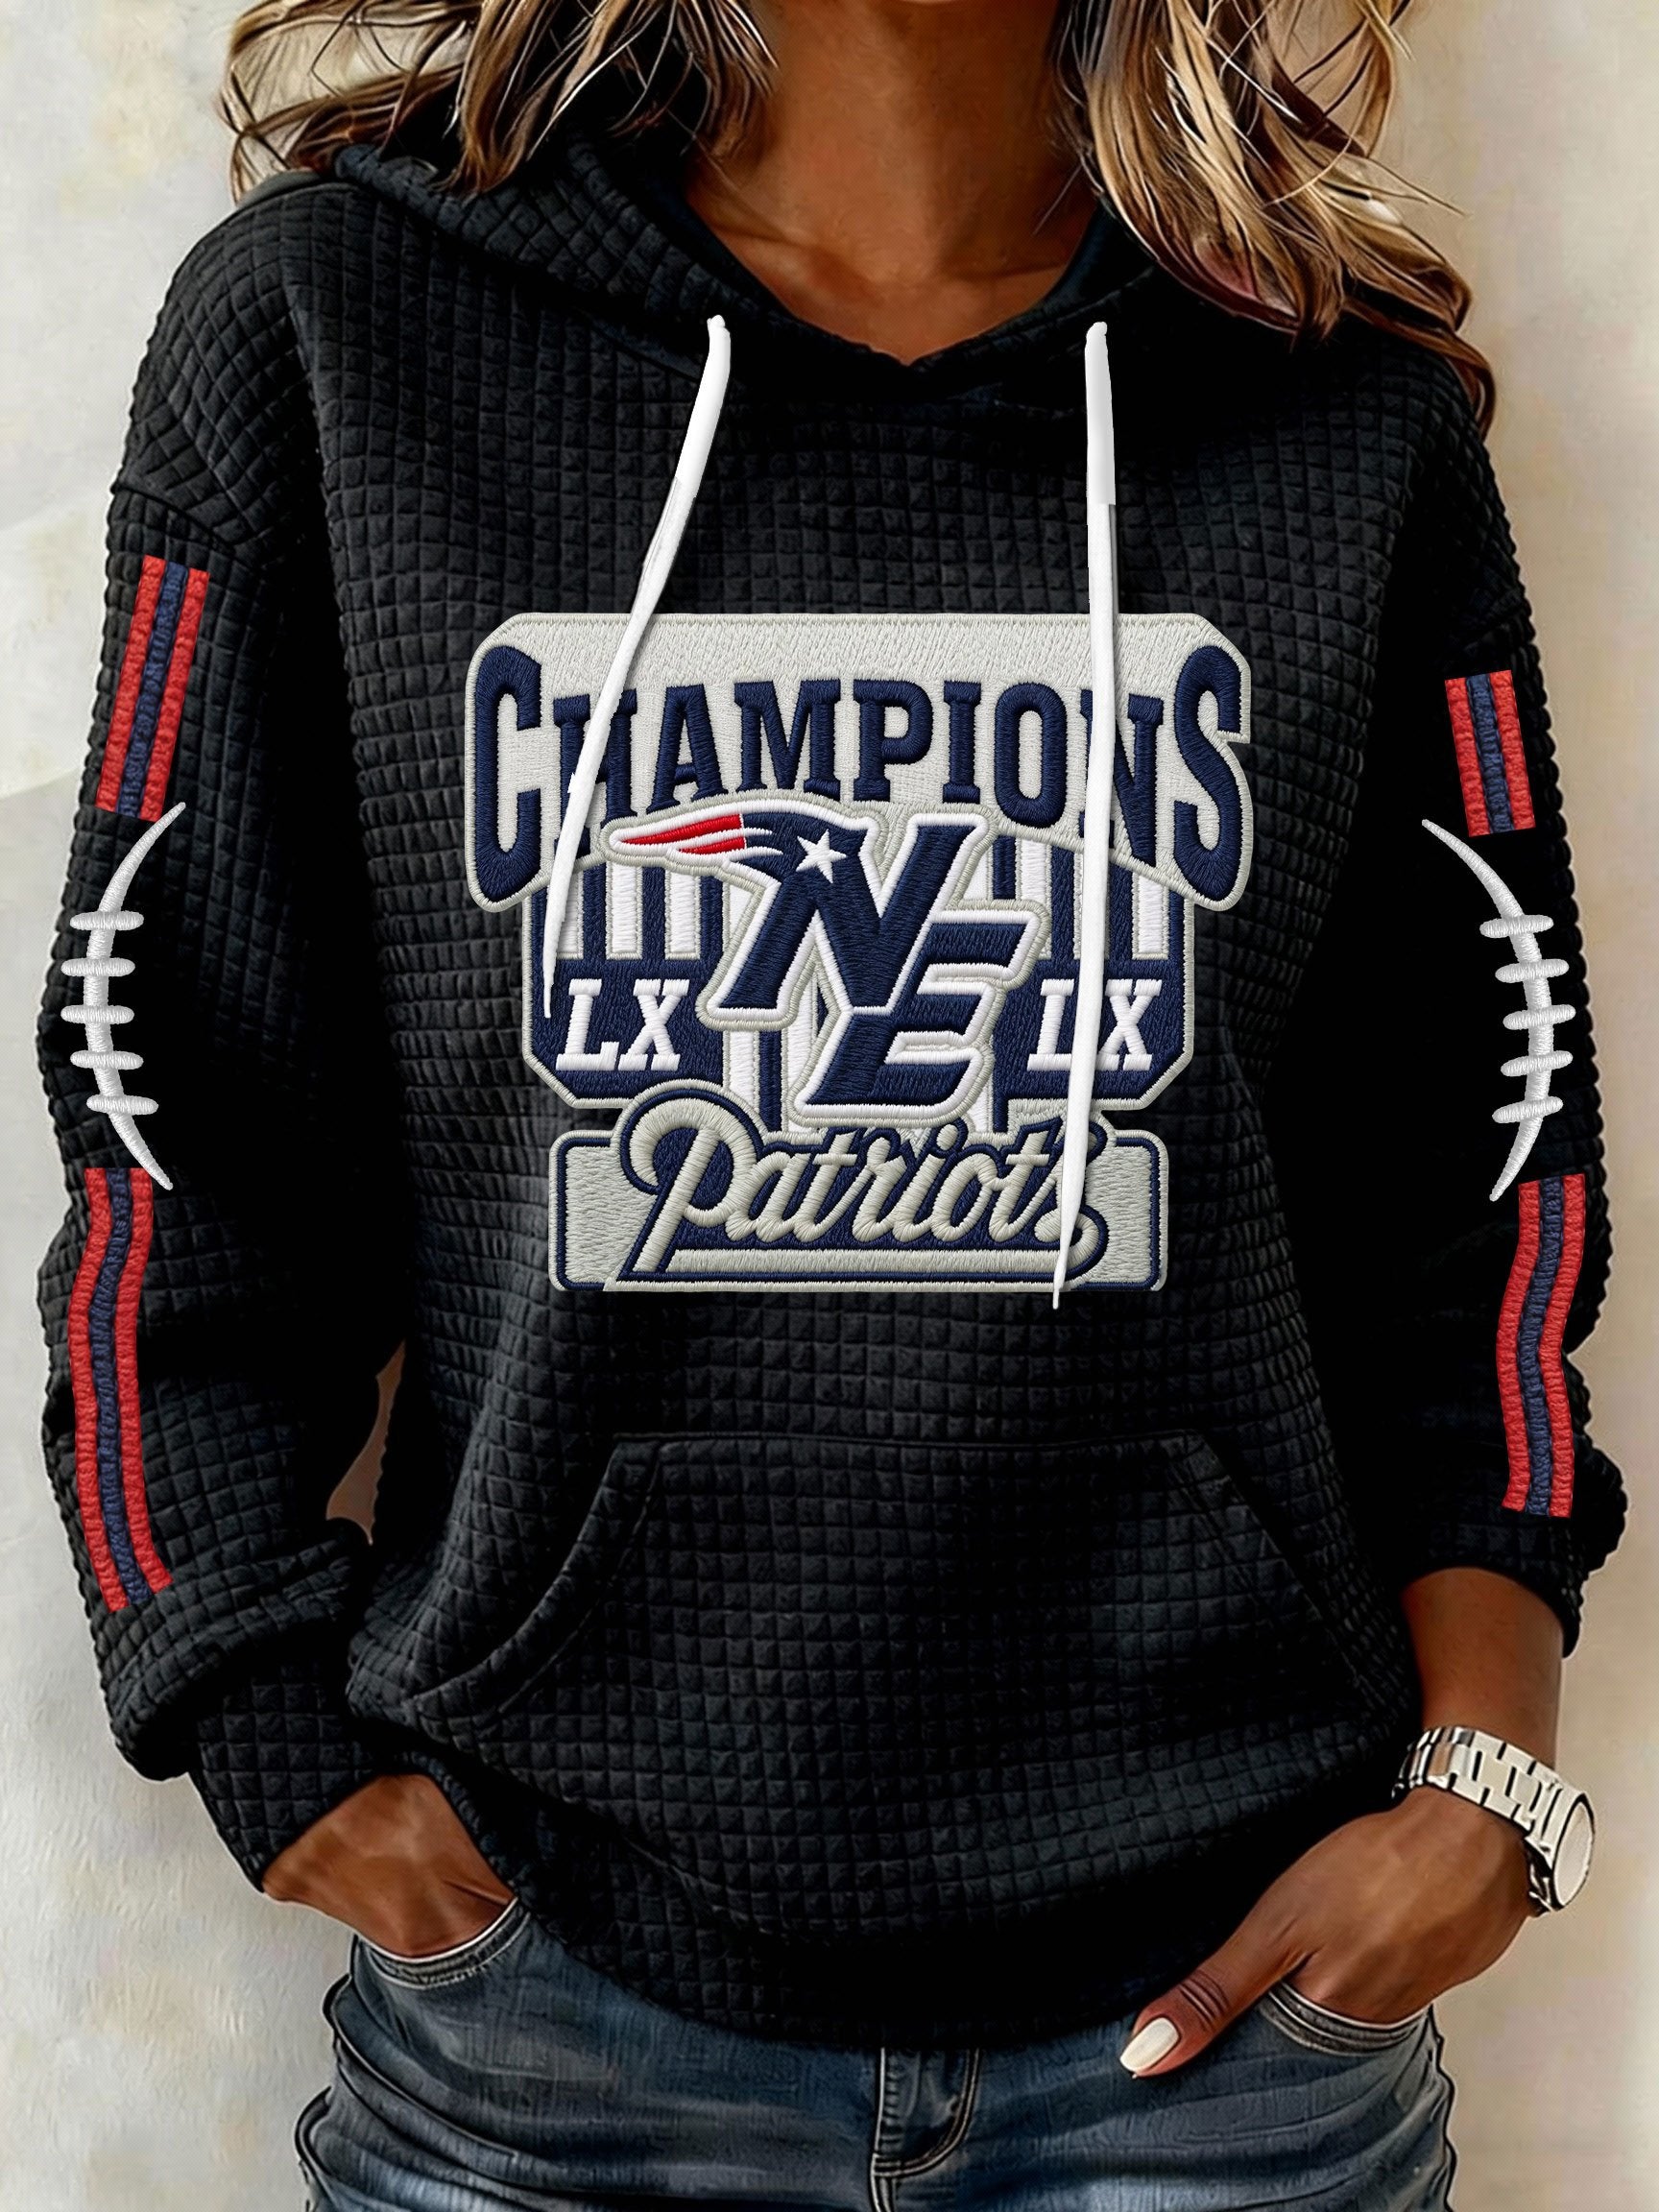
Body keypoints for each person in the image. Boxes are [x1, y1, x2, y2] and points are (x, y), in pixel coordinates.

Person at [36, 1, 1623, 2205]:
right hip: (547, 2011)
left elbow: (1486, 1176)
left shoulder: (1328, 398)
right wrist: (251, 1711)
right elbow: (171, 1109)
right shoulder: (334, 328)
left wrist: (1485, 1786)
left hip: (1226, 2028)